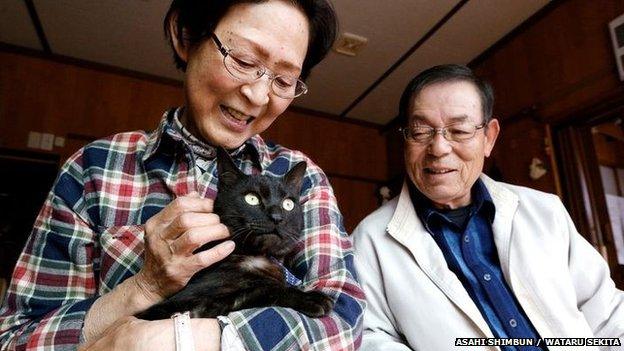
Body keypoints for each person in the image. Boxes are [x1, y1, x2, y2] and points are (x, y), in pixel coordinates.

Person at [0, 1, 366, 350]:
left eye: (284, 81)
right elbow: (18, 339)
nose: (257, 95)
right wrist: (143, 286)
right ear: (186, 35)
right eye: (242, 60)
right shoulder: (94, 168)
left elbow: (343, 324)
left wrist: (183, 340)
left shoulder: (301, 178)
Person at [352, 64, 624, 350]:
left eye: (459, 130)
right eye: (420, 131)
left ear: (489, 138)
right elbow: (369, 337)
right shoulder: (370, 240)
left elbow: (607, 312)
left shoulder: (544, 211)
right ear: (405, 139)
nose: (439, 148)